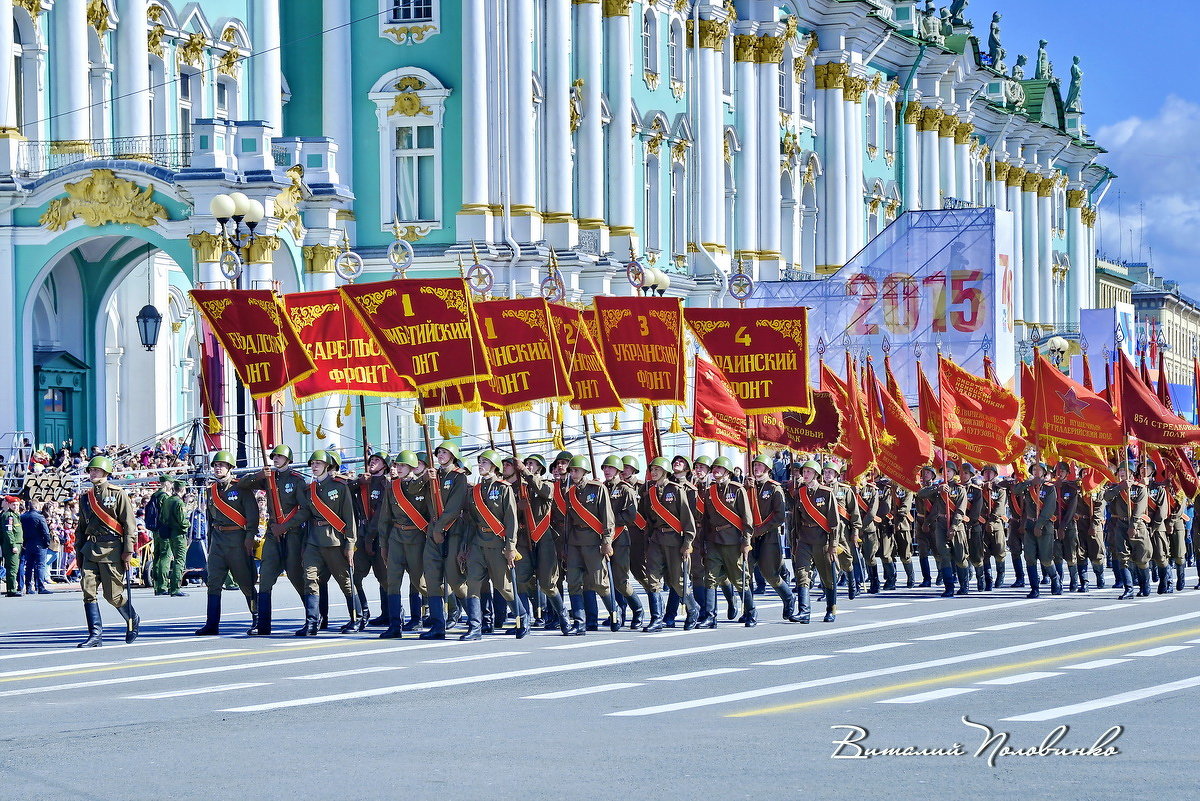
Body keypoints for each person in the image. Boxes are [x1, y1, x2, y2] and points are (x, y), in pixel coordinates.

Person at [239, 444, 311, 636]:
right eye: (274, 456)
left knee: (297, 577)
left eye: (279, 456)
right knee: (266, 578)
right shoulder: (269, 478)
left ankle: (312, 619)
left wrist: (285, 527)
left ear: (288, 459)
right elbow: (242, 484)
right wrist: (259, 476)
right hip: (272, 535)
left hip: (292, 534)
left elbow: (305, 511)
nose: (276, 459)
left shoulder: (297, 481)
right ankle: (263, 625)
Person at [75, 456, 140, 646]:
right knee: (88, 591)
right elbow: (81, 527)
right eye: (90, 470)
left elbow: (129, 525)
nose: (92, 473)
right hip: (90, 549)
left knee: (113, 596)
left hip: (112, 549)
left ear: (105, 472)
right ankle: (95, 635)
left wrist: (128, 551)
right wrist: (79, 552)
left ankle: (133, 618)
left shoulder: (118, 494)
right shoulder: (85, 498)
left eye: (96, 470)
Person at [193, 451, 260, 635]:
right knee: (213, 582)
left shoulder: (241, 489)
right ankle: (212, 624)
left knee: (245, 582)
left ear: (230, 468)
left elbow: (253, 516)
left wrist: (249, 539)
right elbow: (209, 519)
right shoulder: (211, 490)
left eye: (221, 465)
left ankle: (257, 618)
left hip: (237, 540)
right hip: (218, 542)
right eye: (215, 465)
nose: (217, 468)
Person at [462, 450, 524, 641]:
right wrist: (466, 547)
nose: (480, 465)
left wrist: (510, 546)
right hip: (478, 543)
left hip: (498, 544)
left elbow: (511, 521)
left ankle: (523, 617)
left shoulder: (504, 488)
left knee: (503, 586)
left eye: (485, 462)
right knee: (472, 583)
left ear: (494, 467)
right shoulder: (474, 491)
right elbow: (471, 521)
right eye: (479, 462)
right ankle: (475, 627)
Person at [295, 450, 359, 636]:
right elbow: (305, 514)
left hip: (335, 540)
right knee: (310, 579)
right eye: (313, 463)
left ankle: (357, 618)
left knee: (345, 581)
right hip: (314, 540)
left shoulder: (340, 486)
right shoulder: (310, 490)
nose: (314, 466)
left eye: (318, 463)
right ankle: (312, 623)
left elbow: (349, 517)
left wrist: (350, 544)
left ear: (328, 466)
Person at [374, 450, 432, 639]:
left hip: (417, 538)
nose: (397, 468)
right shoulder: (393, 487)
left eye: (402, 465)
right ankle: (394, 625)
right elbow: (385, 518)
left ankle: (442, 612)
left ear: (412, 468)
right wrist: (384, 544)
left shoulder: (425, 486)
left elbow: (432, 515)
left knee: (420, 583)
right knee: (393, 582)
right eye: (397, 465)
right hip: (396, 538)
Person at [508, 453, 567, 633]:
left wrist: (525, 472)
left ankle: (563, 616)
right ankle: (523, 620)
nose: (528, 466)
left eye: (531, 464)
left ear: (540, 468)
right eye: (526, 464)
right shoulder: (517, 488)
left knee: (548, 583)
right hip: (524, 539)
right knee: (520, 580)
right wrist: (518, 507)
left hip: (543, 538)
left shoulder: (547, 483)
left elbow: (545, 492)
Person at [639, 456, 698, 632]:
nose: (654, 472)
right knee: (652, 579)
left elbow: (687, 519)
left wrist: (687, 542)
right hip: (657, 540)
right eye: (652, 470)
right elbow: (647, 519)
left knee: (677, 581)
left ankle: (693, 610)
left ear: (665, 471)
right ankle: (657, 618)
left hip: (674, 540)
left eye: (657, 469)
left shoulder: (676, 489)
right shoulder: (650, 493)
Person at [562, 454, 618, 635]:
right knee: (573, 582)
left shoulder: (597, 489)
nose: (573, 473)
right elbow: (567, 521)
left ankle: (615, 613)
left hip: (593, 541)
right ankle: (580, 623)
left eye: (576, 470)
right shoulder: (570, 493)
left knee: (599, 583)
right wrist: (565, 545)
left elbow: (607, 518)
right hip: (574, 542)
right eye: (571, 470)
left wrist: (607, 541)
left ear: (584, 471)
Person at [421, 442, 470, 640]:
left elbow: (454, 507)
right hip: (433, 532)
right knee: (433, 580)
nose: (440, 455)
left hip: (453, 531)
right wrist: (425, 478)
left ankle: (477, 620)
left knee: (456, 581)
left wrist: (441, 528)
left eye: (444, 452)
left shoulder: (459, 477)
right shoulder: (433, 476)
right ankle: (437, 626)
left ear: (453, 455)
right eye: (439, 452)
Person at [702, 456, 754, 627]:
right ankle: (710, 616)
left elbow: (747, 518)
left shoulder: (737, 490)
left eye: (719, 468)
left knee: (739, 578)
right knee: (710, 578)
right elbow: (706, 520)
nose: (715, 470)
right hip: (714, 541)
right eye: (714, 468)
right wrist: (705, 541)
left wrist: (746, 541)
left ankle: (751, 613)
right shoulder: (710, 492)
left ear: (727, 471)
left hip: (732, 541)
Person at [789, 460, 840, 623]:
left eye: (809, 472)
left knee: (827, 577)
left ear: (816, 474)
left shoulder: (826, 492)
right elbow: (795, 520)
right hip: (804, 538)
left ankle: (831, 609)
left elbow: (834, 521)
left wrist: (833, 545)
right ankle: (804, 612)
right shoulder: (800, 492)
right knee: (801, 573)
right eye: (804, 471)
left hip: (822, 539)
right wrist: (794, 541)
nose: (806, 474)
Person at [601, 454, 645, 630]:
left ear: (619, 471)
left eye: (610, 468)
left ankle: (638, 609)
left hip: (620, 538)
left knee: (620, 579)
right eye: (605, 467)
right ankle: (618, 612)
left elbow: (630, 515)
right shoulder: (601, 488)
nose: (607, 471)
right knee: (608, 579)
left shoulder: (625, 489)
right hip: (604, 538)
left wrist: (610, 521)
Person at [352, 451, 391, 626]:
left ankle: (391, 613)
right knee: (356, 577)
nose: (373, 462)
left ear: (385, 465)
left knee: (384, 578)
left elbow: (380, 515)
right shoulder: (364, 482)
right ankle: (364, 612)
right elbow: (344, 487)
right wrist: (359, 482)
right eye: (371, 460)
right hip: (362, 535)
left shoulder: (386, 484)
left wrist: (370, 538)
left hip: (380, 537)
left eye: (377, 460)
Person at [1105, 462, 1152, 599]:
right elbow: (1106, 497)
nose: (1121, 473)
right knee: (1123, 557)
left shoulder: (1139, 488)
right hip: (1121, 524)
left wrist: (1134, 525)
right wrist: (1120, 487)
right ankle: (1129, 589)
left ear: (1131, 473)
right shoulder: (1116, 488)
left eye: (1125, 470)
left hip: (1137, 525)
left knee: (1141, 558)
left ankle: (1145, 586)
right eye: (1120, 470)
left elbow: (1140, 507)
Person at [153, 479, 190, 597]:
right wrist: (188, 525)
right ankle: (175, 588)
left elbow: (162, 517)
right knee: (179, 560)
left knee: (165, 557)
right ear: (183, 489)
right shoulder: (179, 503)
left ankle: (162, 586)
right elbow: (182, 521)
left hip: (169, 533)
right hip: (179, 534)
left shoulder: (168, 500)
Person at [20, 500, 53, 594]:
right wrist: (47, 543)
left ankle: (28, 587)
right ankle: (40, 587)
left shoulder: (23, 517)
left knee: (29, 566)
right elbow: (45, 531)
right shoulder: (39, 517)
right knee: (40, 566)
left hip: (28, 544)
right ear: (37, 506)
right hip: (39, 544)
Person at [2, 496, 24, 597]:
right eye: (13, 505)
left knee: (14, 567)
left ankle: (12, 588)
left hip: (18, 544)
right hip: (12, 545)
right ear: (9, 505)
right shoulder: (9, 516)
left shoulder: (16, 515)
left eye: (17, 505)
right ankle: (11, 589)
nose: (15, 506)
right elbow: (9, 532)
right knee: (12, 568)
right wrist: (13, 545)